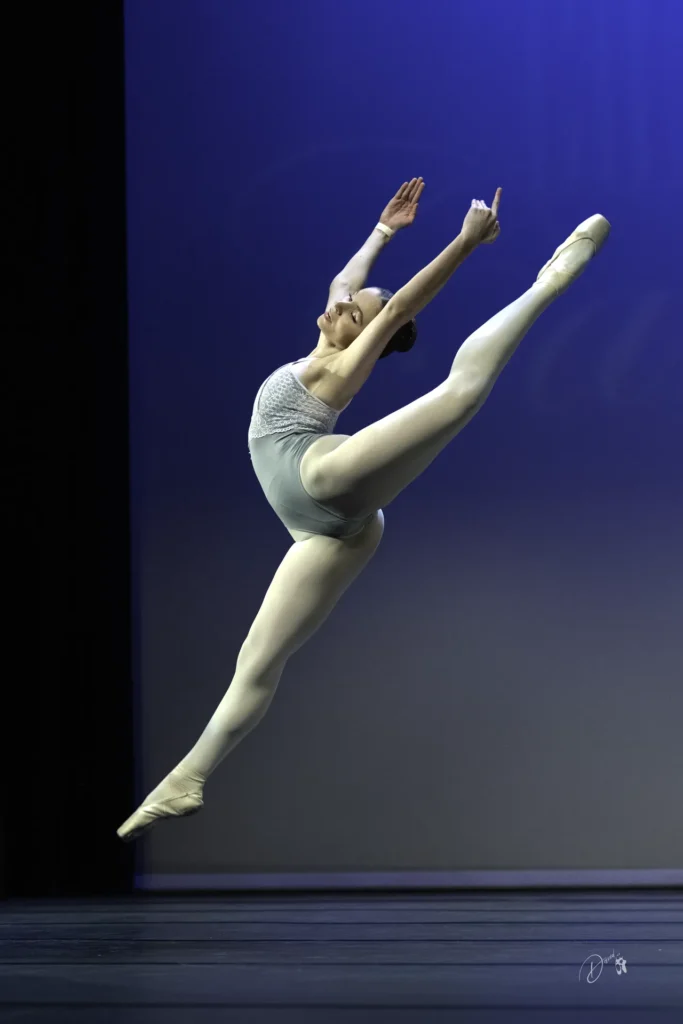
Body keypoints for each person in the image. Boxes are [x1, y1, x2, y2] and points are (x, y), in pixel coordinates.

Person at [117, 179, 610, 841]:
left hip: (320, 478)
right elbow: (348, 283)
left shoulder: (341, 367)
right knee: (257, 661)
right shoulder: (326, 337)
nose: (347, 301)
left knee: (460, 394)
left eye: (361, 309)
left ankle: (545, 283)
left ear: (372, 332)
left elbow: (400, 302)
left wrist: (463, 244)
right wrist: (383, 231)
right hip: (322, 532)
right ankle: (187, 779)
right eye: (351, 301)